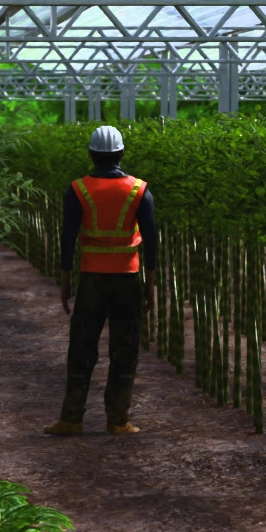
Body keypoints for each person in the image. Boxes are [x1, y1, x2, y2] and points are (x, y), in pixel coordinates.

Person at [44, 125, 157, 437]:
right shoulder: (139, 190)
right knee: (126, 351)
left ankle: (71, 419)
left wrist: (66, 279)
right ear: (121, 153)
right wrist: (150, 285)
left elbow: (67, 237)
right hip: (128, 279)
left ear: (91, 154)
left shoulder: (78, 189)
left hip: (92, 280)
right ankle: (118, 420)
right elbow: (152, 240)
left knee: (81, 350)